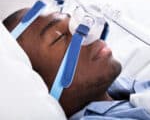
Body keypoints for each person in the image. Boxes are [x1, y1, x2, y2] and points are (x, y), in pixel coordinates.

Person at [3, 7, 150, 120]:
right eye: (60, 37)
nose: (85, 32)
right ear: (41, 85)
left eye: (73, 22)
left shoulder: (121, 87)